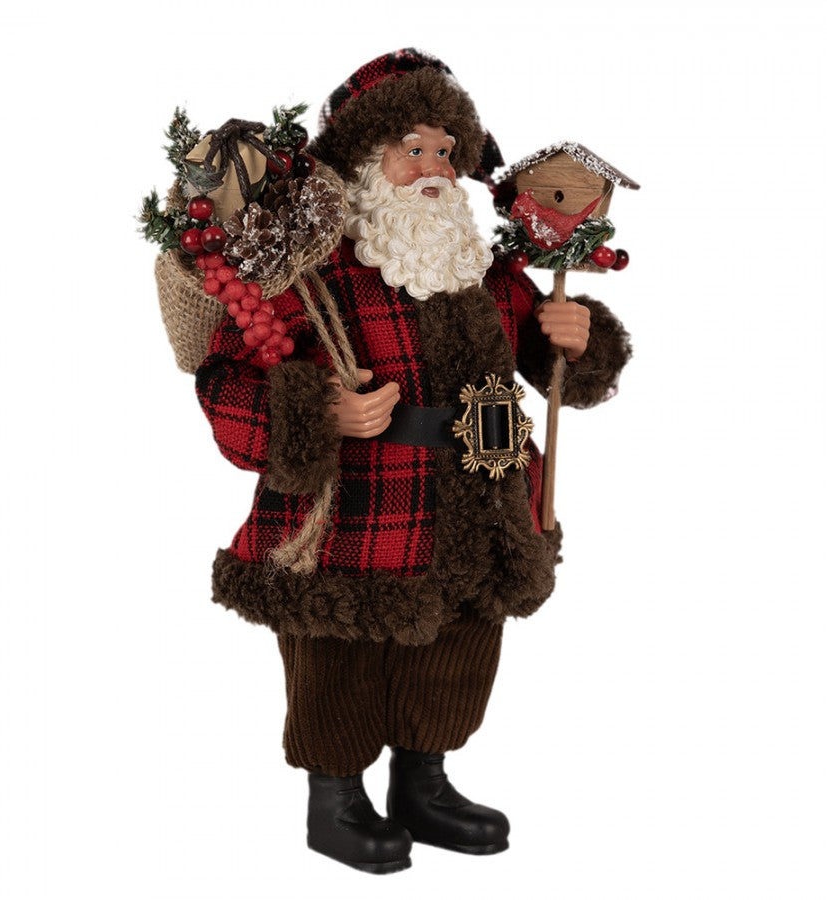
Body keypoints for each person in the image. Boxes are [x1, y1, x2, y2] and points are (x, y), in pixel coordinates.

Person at [195, 49, 631, 874]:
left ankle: (423, 783)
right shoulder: (307, 273)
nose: (433, 168)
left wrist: (576, 340)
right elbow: (225, 383)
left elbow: (550, 364)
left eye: (445, 151)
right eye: (413, 148)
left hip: (481, 497)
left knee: (458, 646)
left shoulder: (476, 267)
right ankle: (335, 796)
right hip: (362, 510)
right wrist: (319, 412)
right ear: (364, 160)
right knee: (342, 654)